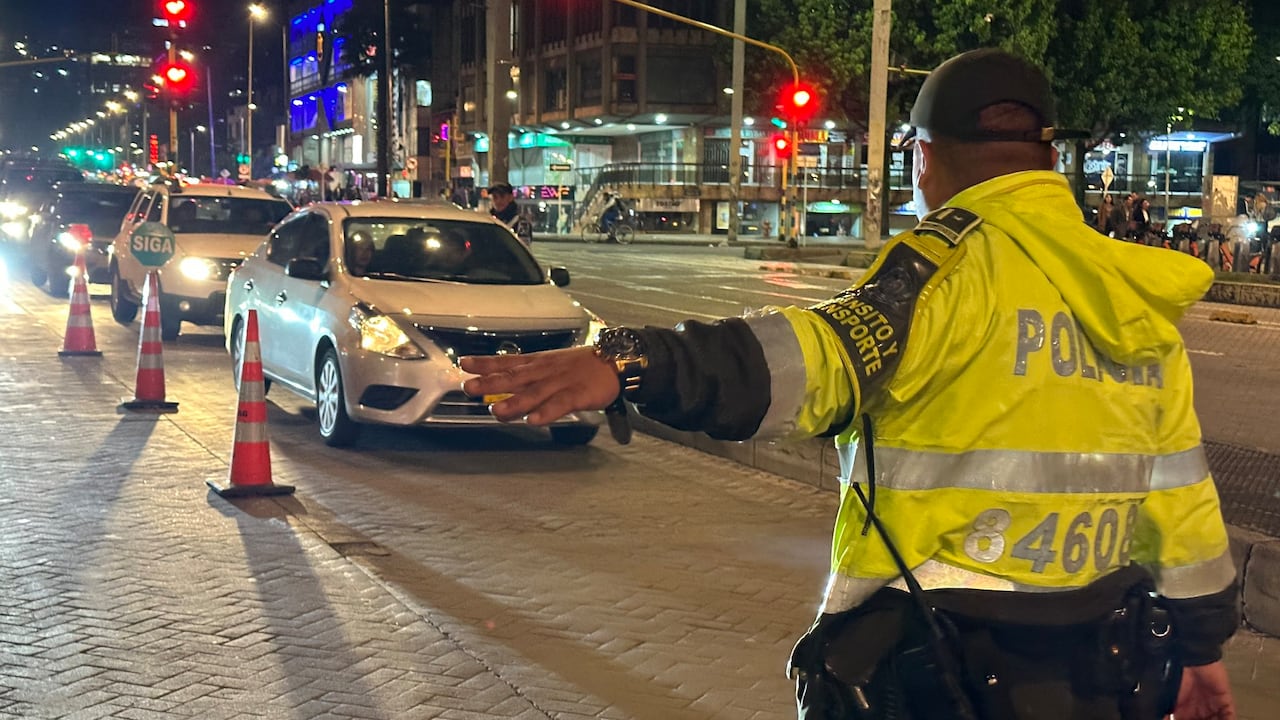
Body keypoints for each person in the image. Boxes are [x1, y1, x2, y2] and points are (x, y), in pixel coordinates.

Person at [459, 48, 1238, 720]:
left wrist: (633, 362)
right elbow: (1181, 493)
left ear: (922, 158)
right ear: (1047, 159)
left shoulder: (942, 270)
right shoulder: (1133, 296)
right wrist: (1202, 649)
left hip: (939, 657)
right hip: (1099, 663)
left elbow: (816, 357)